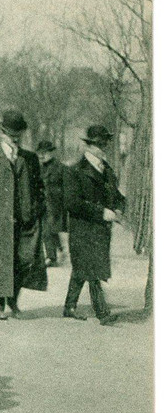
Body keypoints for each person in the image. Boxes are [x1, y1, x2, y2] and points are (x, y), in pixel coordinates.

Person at [0, 109, 47, 319]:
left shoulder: (30, 158)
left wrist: (37, 210)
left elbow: (39, 188)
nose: (14, 138)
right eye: (10, 134)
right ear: (2, 132)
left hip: (25, 220)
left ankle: (13, 301)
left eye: (18, 134)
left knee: (24, 260)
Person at [62, 126, 125, 325]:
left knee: (82, 268)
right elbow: (72, 203)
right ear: (88, 146)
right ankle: (102, 313)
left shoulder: (106, 170)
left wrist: (119, 208)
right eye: (99, 144)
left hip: (100, 231)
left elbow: (117, 196)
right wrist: (102, 212)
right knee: (92, 271)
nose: (103, 147)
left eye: (105, 143)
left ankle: (69, 307)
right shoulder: (75, 171)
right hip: (83, 230)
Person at [36, 139, 66, 266]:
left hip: (55, 204)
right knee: (49, 229)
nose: (42, 155)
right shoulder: (38, 168)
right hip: (43, 203)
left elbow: (66, 187)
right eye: (40, 153)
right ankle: (59, 249)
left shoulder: (60, 168)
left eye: (45, 152)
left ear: (51, 153)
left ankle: (52, 258)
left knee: (48, 230)